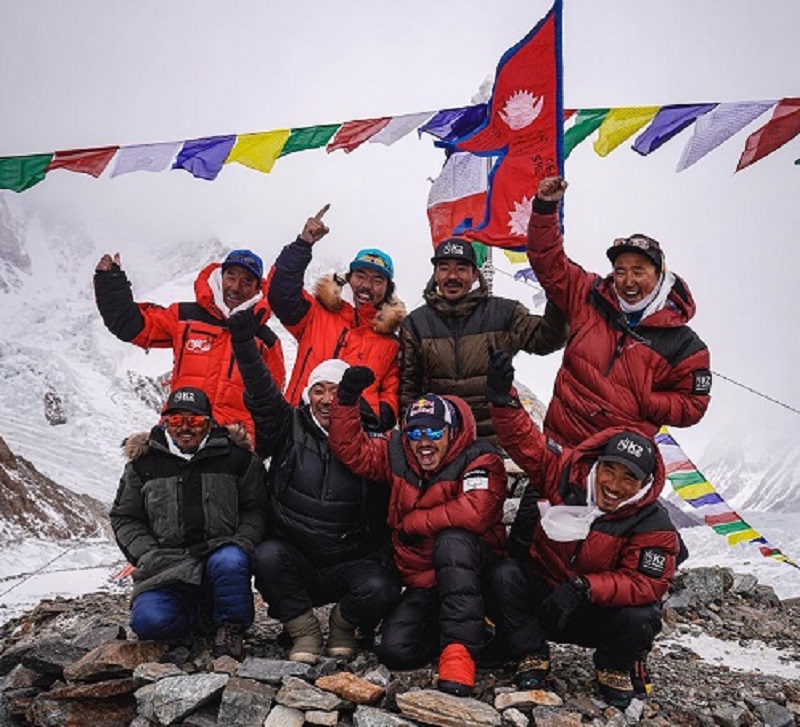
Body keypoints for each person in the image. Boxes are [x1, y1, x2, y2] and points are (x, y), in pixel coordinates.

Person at [485, 350, 680, 708]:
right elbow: (526, 443)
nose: (614, 485)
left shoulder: (654, 524)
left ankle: (613, 666)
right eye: (610, 469)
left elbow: (647, 583)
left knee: (642, 613)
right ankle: (531, 653)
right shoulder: (563, 473)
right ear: (597, 464)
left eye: (629, 478)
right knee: (503, 574)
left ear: (645, 484)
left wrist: (584, 588)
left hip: (593, 610)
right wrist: (503, 399)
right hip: (545, 598)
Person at [227, 308, 400, 664]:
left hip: (352, 559)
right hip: (296, 557)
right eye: (317, 390)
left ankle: (342, 624)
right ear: (307, 396)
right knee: (267, 557)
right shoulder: (288, 426)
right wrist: (245, 346)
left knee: (381, 586)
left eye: (334, 391)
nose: (325, 399)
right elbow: (261, 394)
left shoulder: (375, 439)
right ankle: (303, 630)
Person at [328, 371, 507, 698]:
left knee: (453, 540)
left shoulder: (481, 457)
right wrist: (346, 402)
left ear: (451, 432)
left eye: (434, 431)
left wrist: (412, 522)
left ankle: (459, 653)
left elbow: (477, 512)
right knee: (393, 650)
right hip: (422, 580)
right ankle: (463, 630)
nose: (424, 441)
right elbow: (352, 450)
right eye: (415, 431)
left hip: (475, 574)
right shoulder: (398, 453)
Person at [526, 176, 712, 447]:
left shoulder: (685, 345)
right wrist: (544, 208)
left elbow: (693, 405)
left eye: (639, 271)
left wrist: (645, 400)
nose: (628, 281)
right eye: (621, 271)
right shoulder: (589, 294)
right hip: (557, 451)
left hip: (616, 465)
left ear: (660, 274)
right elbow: (547, 262)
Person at [109, 387, 267, 661]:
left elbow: (256, 509)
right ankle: (199, 618)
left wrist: (242, 543)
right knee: (148, 623)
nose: (184, 428)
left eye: (193, 420)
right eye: (175, 420)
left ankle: (231, 628)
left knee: (231, 560)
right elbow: (125, 516)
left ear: (208, 422)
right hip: (165, 565)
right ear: (165, 422)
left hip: (219, 556)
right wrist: (147, 553)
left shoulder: (237, 459)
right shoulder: (142, 464)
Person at [94, 248, 285, 444]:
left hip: (232, 448)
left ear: (257, 289)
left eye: (247, 281)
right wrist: (111, 284)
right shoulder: (185, 317)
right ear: (221, 276)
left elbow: (270, 405)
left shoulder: (267, 341)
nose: (236, 287)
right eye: (231, 276)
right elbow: (132, 326)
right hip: (179, 434)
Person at [399, 237, 568, 443]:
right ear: (435, 274)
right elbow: (408, 390)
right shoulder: (415, 324)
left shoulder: (505, 313)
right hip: (438, 440)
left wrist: (558, 296)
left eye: (461, 269)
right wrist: (410, 438)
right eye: (444, 268)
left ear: (474, 274)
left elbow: (547, 340)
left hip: (494, 440)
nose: (452, 276)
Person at [268, 205, 405, 432]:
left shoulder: (390, 342)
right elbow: (281, 294)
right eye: (361, 275)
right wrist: (303, 244)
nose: (366, 286)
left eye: (377, 280)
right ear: (348, 278)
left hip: (355, 437)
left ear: (387, 289)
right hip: (299, 426)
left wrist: (377, 419)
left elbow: (391, 393)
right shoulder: (316, 313)